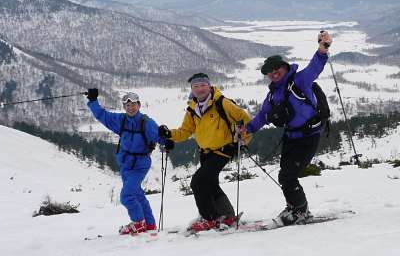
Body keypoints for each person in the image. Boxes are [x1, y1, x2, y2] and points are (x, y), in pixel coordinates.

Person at [239, 31, 333, 226]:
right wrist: (246, 130)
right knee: (286, 174)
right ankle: (294, 207)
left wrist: (322, 50)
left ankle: (301, 211)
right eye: (269, 70)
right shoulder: (273, 94)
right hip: (291, 137)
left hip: (308, 136)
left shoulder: (300, 81)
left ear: (285, 67)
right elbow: (263, 116)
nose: (273, 72)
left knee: (287, 175)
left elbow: (315, 68)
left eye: (276, 67)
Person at [158, 73, 252, 232]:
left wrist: (245, 138)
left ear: (209, 86)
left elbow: (245, 119)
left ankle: (209, 218)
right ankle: (227, 216)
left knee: (198, 182)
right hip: (205, 152)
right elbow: (186, 131)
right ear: (192, 90)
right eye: (196, 86)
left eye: (202, 85)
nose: (200, 89)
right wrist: (170, 134)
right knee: (210, 183)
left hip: (223, 150)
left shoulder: (223, 103)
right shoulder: (193, 108)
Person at [86, 88, 173, 235]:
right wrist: (93, 101)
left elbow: (160, 136)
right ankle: (150, 225)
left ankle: (138, 223)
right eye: (127, 105)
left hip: (140, 164)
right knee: (137, 194)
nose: (130, 108)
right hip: (126, 163)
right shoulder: (121, 120)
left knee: (126, 196)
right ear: (124, 107)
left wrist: (168, 140)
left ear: (139, 105)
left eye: (133, 104)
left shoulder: (146, 122)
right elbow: (103, 115)